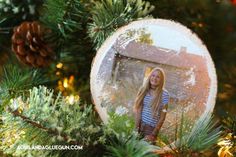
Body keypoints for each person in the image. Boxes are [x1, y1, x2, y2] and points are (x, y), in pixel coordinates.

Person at [133, 67, 169, 143]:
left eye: (158, 77)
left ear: (161, 80)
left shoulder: (164, 94)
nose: (154, 78)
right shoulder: (143, 90)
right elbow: (138, 111)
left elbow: (162, 117)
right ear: (150, 77)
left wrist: (153, 134)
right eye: (153, 75)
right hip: (140, 124)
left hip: (151, 129)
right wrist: (136, 129)